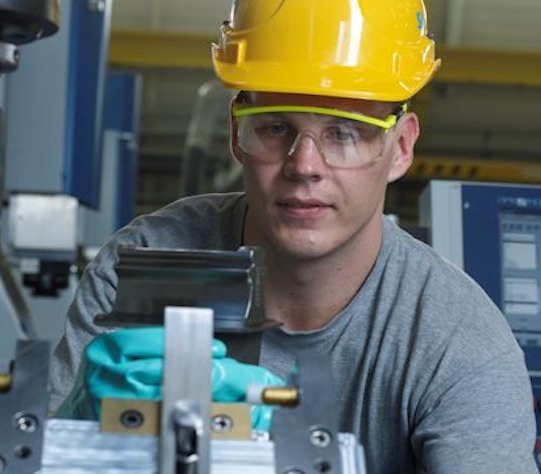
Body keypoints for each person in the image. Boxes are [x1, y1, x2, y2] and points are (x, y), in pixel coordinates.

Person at [49, 0, 538, 472]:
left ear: (401, 146)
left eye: (345, 133)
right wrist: (76, 425)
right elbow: (29, 455)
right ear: (236, 135)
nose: (304, 167)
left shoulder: (455, 339)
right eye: (276, 127)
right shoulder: (148, 261)